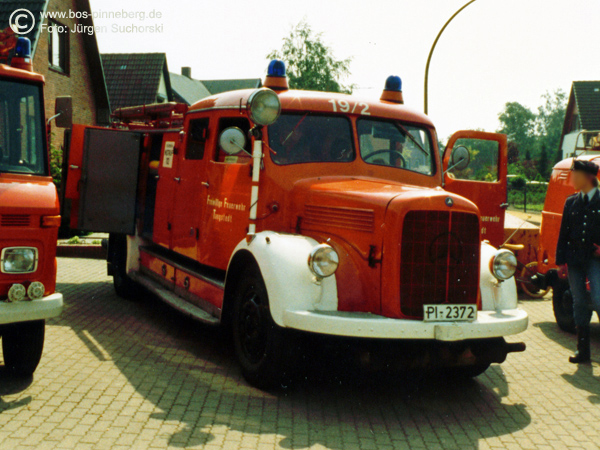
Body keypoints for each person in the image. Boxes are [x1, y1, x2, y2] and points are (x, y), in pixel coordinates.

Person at [556, 159, 600, 363]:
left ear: (589, 178)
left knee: (598, 299)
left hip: (595, 259)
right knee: (579, 301)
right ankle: (583, 352)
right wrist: (560, 262)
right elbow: (563, 233)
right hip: (574, 258)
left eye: (576, 175)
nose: (572, 178)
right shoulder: (571, 202)